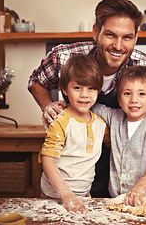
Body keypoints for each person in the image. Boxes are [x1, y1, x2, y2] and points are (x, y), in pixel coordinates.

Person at [28, 0, 146, 197]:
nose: (118, 46)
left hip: (120, 165)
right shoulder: (65, 57)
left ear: (136, 37)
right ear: (96, 32)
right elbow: (36, 81)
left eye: (127, 37)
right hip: (72, 167)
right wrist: (47, 105)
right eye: (110, 35)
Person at [91, 66, 146, 206]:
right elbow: (91, 105)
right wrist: (66, 104)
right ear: (119, 98)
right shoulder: (114, 117)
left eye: (142, 94)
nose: (134, 100)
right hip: (118, 201)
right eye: (127, 93)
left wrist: (141, 187)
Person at [38, 55, 108, 213]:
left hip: (83, 195)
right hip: (54, 196)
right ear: (65, 89)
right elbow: (48, 162)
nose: (85, 94)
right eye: (77, 88)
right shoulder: (60, 121)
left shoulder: (100, 124)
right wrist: (67, 195)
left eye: (91, 88)